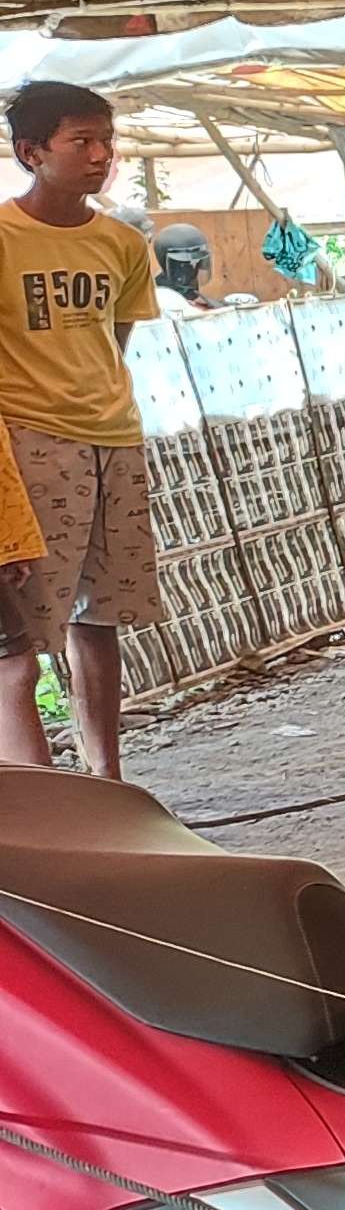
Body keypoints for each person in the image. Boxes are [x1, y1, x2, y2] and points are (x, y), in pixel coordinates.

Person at [0, 82, 160, 781]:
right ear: (32, 152)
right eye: (81, 142)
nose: (101, 156)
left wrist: (101, 410)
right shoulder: (3, 240)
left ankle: (107, 778)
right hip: (31, 442)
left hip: (114, 440)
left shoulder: (123, 243)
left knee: (104, 617)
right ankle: (39, 792)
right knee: (27, 633)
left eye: (106, 141)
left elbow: (113, 342)